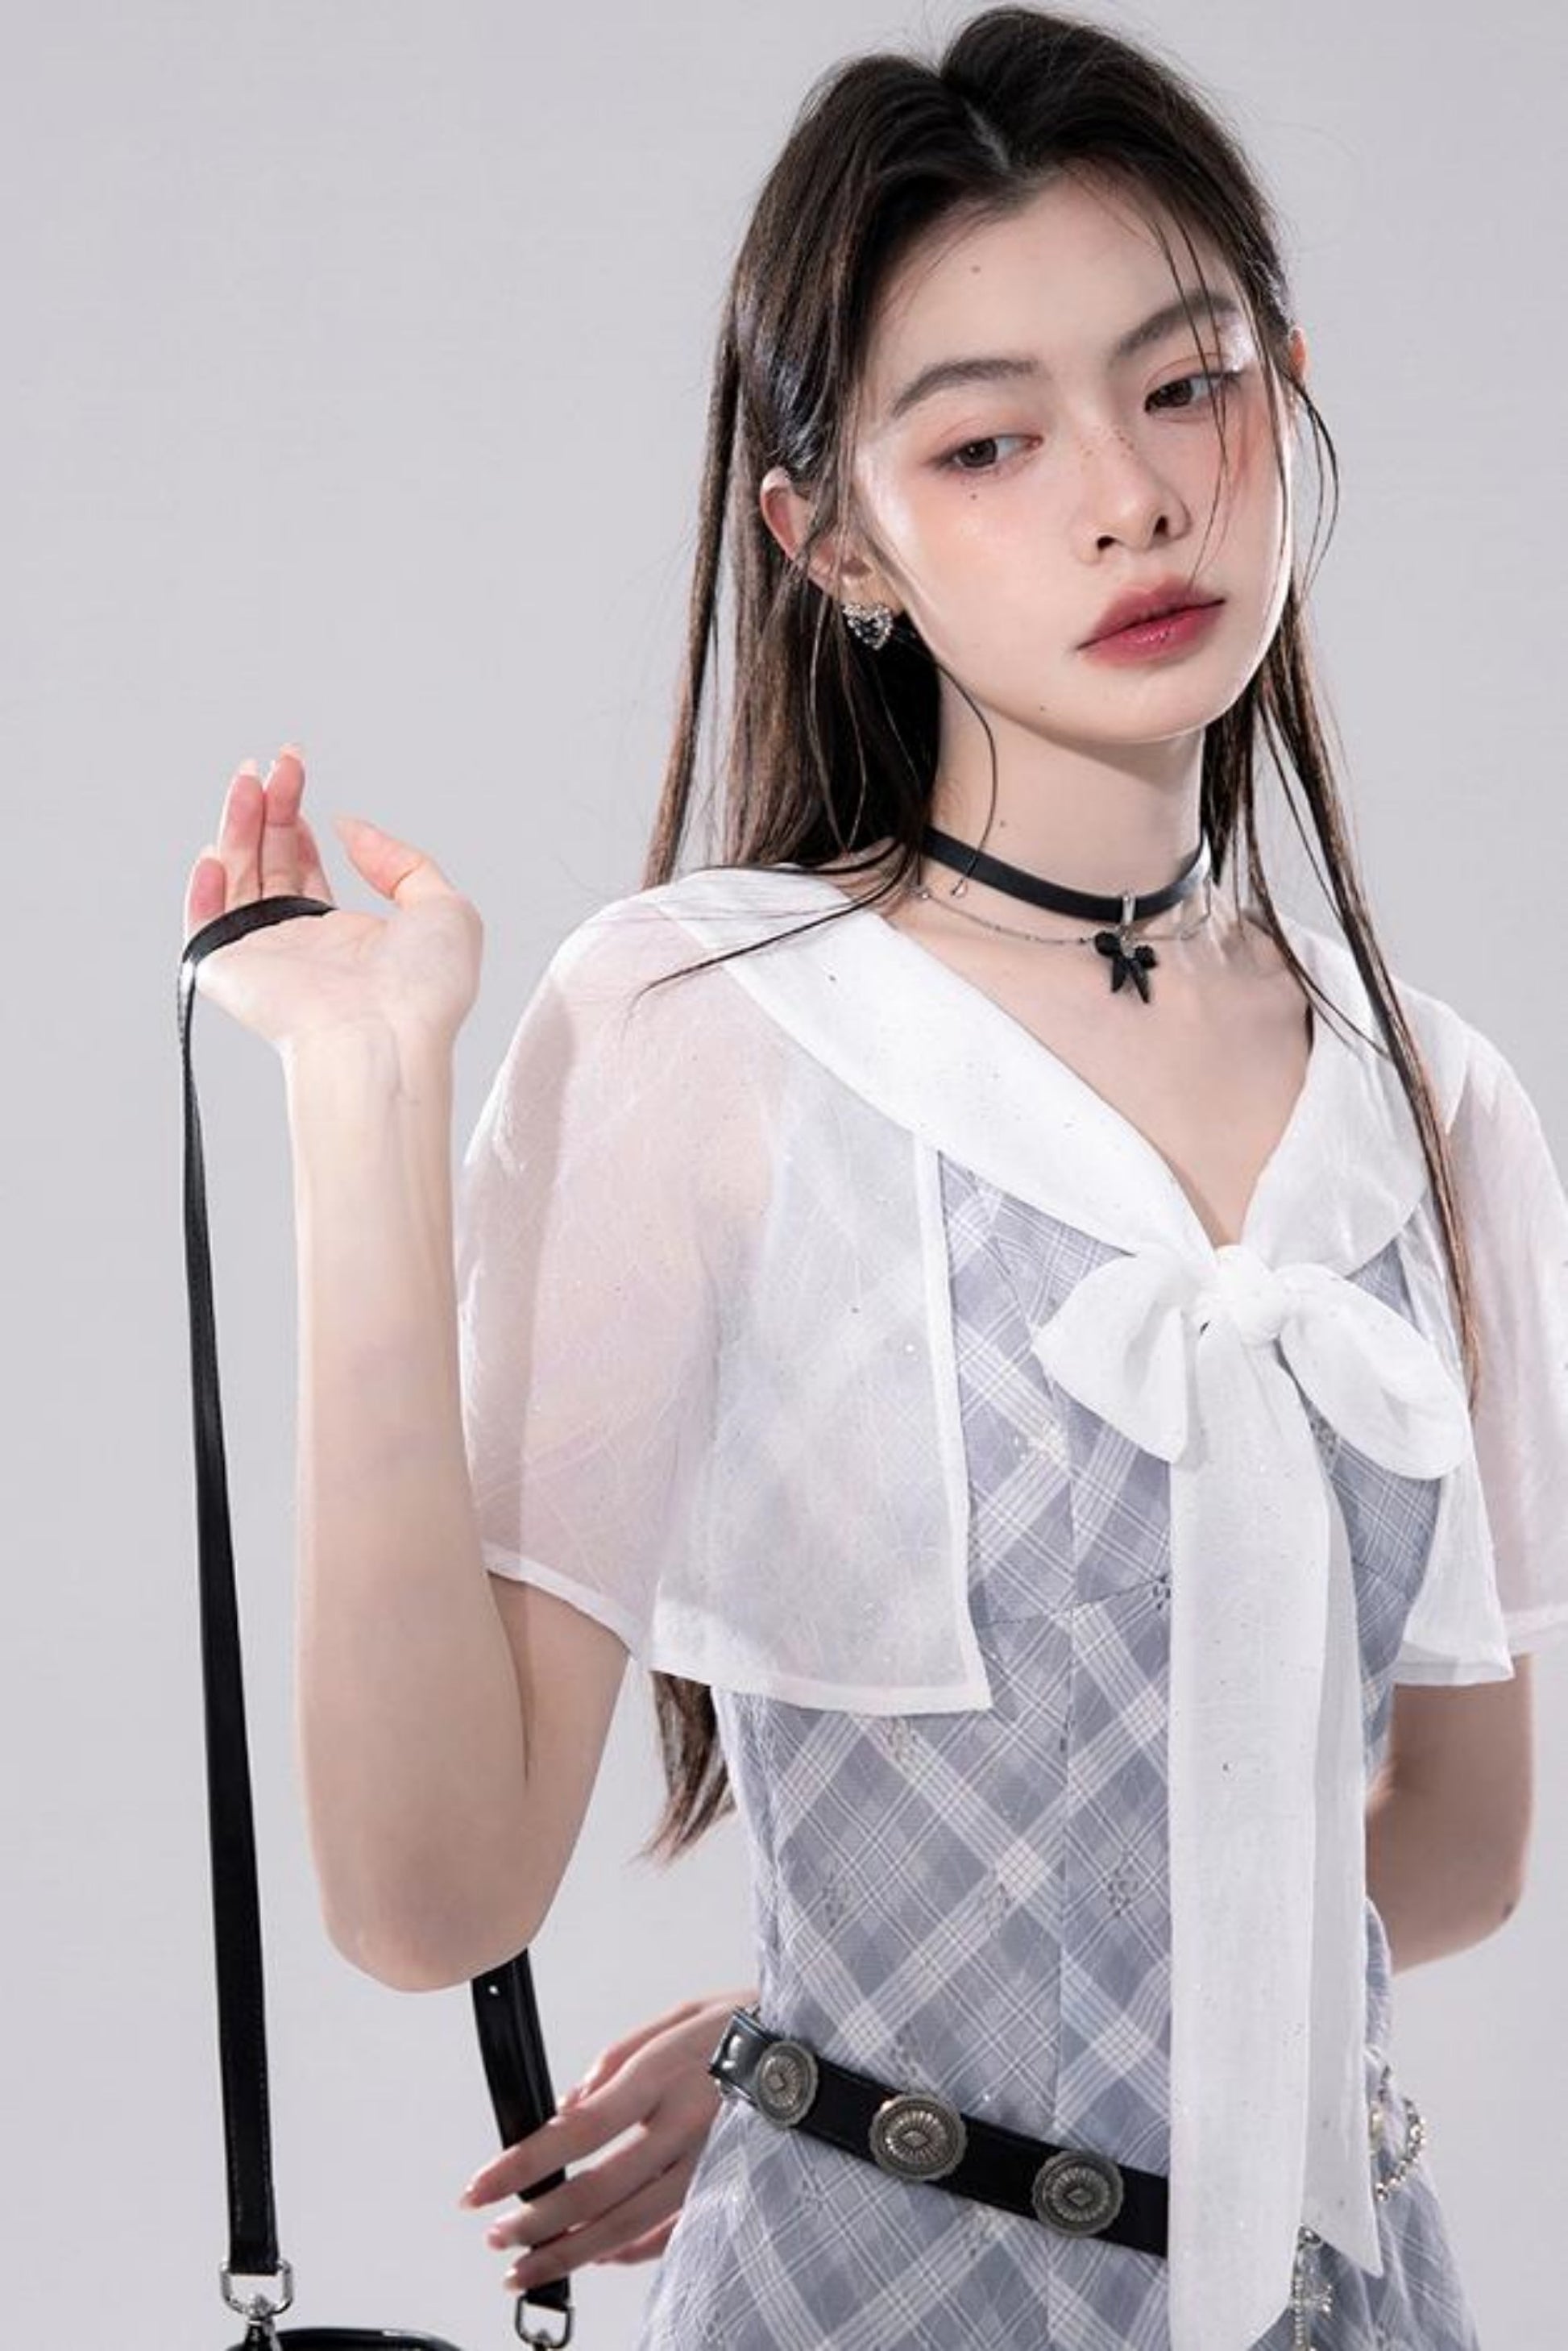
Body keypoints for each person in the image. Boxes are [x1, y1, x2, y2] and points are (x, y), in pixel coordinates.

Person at [180, 9, 1568, 2345]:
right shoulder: (707, 1028)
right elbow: (429, 1894)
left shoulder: (1434, 1105)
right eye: (988, 440)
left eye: (1186, 385)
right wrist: (361, 1090)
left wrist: (878, 2050)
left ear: (1286, 393)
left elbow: (1453, 1850)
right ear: (830, 536)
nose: (1129, 498)